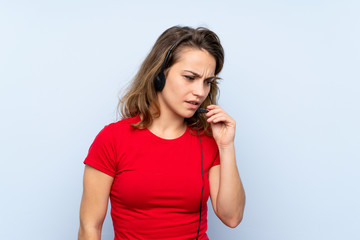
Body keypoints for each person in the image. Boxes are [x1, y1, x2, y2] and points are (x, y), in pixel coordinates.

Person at [78, 25, 246, 240]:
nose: (200, 92)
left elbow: (231, 217)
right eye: (189, 77)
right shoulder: (113, 139)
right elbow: (89, 227)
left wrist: (226, 146)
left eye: (207, 82)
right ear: (159, 75)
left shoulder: (210, 141)